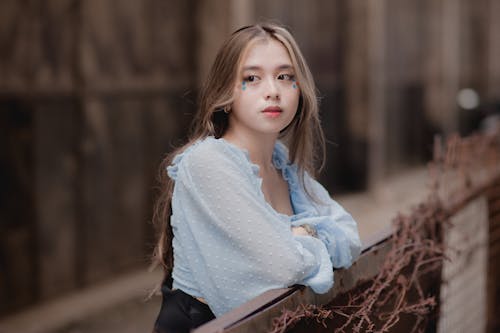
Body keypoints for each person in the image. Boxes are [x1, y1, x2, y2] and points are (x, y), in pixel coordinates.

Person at [151, 22, 361, 333]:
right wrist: (306, 234)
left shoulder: (284, 165)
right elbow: (285, 266)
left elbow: (350, 236)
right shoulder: (208, 163)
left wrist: (298, 236)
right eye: (252, 78)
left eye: (285, 76)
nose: (273, 91)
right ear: (226, 91)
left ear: (299, 89)